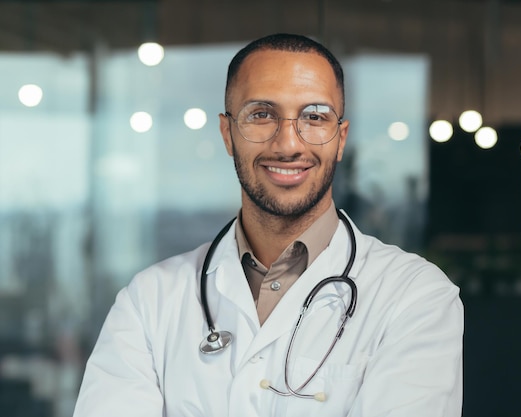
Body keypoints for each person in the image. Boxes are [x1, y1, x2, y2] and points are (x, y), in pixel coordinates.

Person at [73, 33, 463, 417]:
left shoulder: (415, 297)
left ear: (340, 139)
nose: (288, 144)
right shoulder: (150, 301)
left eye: (314, 117)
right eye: (261, 115)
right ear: (227, 133)